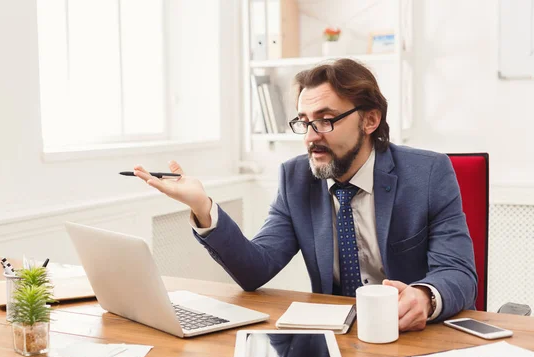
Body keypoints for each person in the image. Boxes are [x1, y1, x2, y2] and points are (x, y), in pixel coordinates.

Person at [132, 58, 477, 332]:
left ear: (370, 120)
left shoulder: (428, 173)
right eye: (303, 121)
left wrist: (424, 297)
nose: (311, 136)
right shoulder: (296, 178)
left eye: (325, 120)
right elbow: (255, 269)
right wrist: (202, 207)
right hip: (338, 339)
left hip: (416, 336)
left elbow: (459, 273)